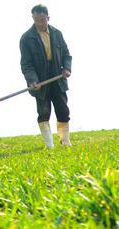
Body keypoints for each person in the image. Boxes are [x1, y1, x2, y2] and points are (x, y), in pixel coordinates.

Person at [19, 4, 73, 148]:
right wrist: (32, 80)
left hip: (57, 76)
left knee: (63, 110)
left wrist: (66, 68)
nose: (39, 23)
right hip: (39, 80)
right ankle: (49, 145)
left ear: (48, 18)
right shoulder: (26, 38)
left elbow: (66, 54)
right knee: (43, 112)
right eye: (36, 20)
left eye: (42, 20)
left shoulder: (57, 34)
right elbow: (26, 64)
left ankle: (65, 141)